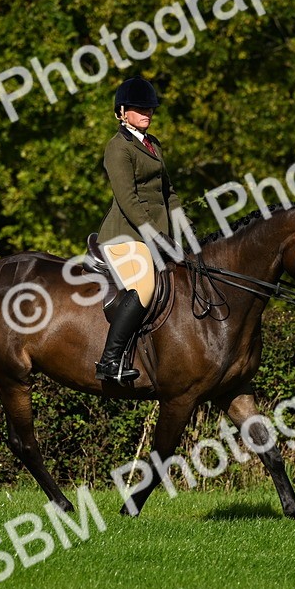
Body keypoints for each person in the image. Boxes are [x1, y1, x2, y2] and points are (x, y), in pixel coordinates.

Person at [94, 77, 184, 382]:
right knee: (144, 287)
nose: (147, 111)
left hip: (157, 235)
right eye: (139, 107)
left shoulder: (153, 144)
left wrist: (184, 228)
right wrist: (156, 236)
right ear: (122, 111)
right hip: (125, 235)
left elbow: (168, 191)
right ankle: (109, 361)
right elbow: (128, 200)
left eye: (150, 107)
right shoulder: (117, 148)